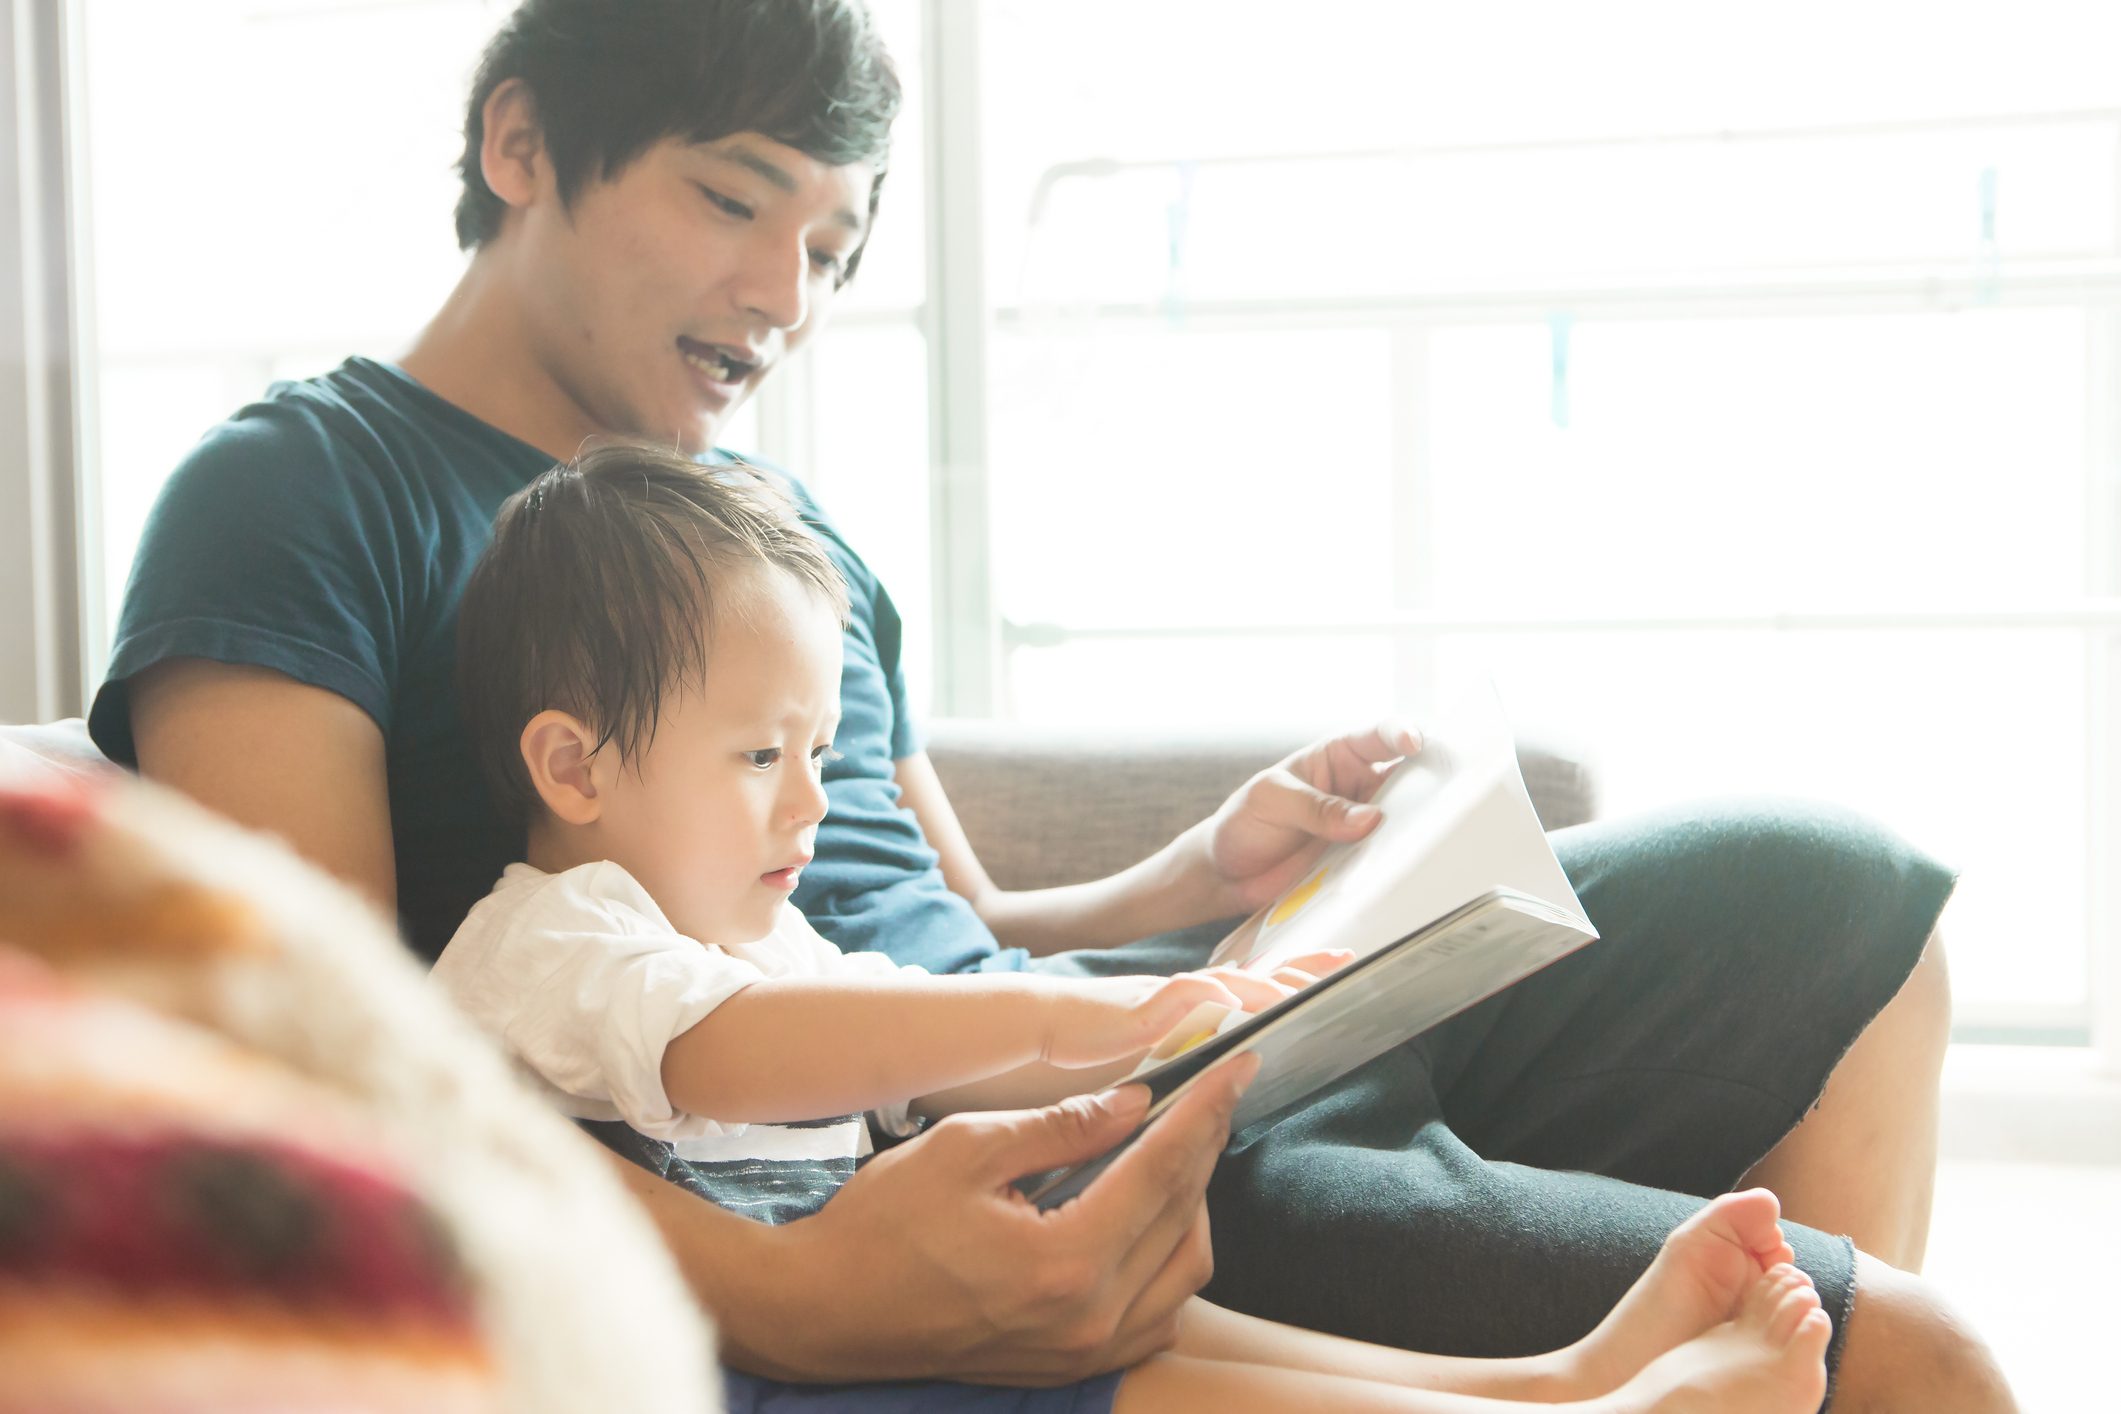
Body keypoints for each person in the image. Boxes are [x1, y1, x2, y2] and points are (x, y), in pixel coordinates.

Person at [86, 0, 2015, 1407]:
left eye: (832, 248)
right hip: (1017, 1148)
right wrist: (799, 1293)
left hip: (1143, 1028)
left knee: (1853, 898)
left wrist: (1195, 872)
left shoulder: (780, 525)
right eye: (731, 205)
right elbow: (326, 1058)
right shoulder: (299, 491)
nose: (785, 293)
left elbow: (935, 905)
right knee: (1909, 1360)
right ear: (520, 150)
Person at [435, 443, 1835, 1413]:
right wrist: (1085, 1017)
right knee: (1123, 1374)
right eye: (759, 757)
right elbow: (753, 1051)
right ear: (572, 768)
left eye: (820, 749)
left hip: (855, 1323)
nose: (812, 800)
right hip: (724, 1373)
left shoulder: (757, 937)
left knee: (1145, 1300)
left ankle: (1552, 1379)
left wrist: (1210, 1015)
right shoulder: (552, 939)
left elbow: (933, 1065)